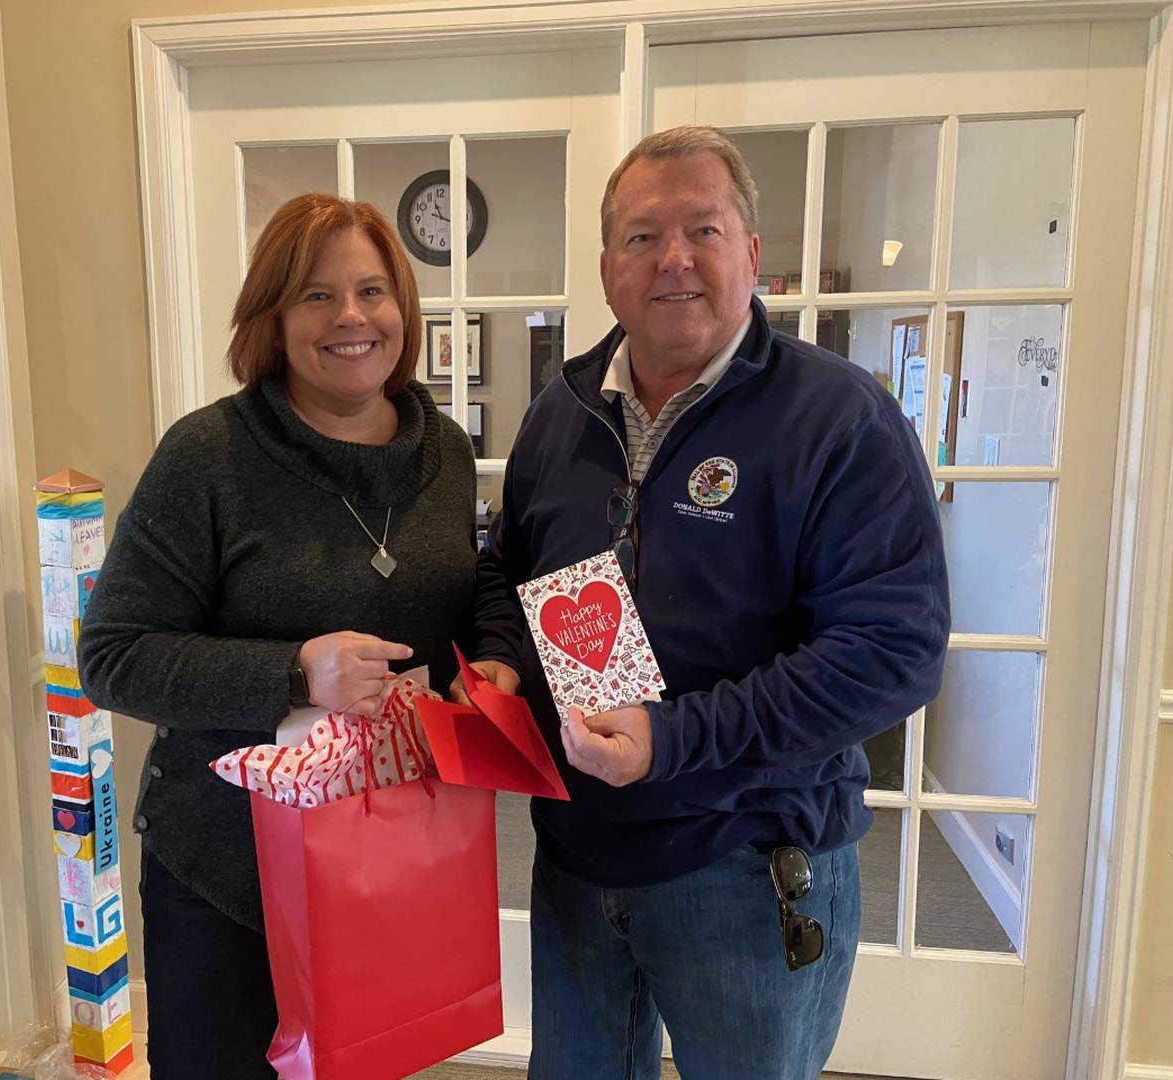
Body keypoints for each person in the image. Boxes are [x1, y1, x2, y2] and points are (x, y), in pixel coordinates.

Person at [460, 126, 951, 1079]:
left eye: (704, 229)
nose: (673, 258)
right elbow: (512, 576)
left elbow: (893, 653)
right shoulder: (559, 415)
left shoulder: (842, 421)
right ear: (607, 268)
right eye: (642, 236)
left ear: (752, 255)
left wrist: (676, 737)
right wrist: (501, 660)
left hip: (748, 868)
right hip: (573, 861)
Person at [79, 194, 479, 1079]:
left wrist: (488, 666)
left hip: (387, 854)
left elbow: (471, 595)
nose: (351, 318)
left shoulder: (445, 453)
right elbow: (112, 656)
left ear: (403, 310)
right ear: (273, 315)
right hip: (225, 868)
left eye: (372, 291)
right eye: (315, 295)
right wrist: (295, 672)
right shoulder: (209, 455)